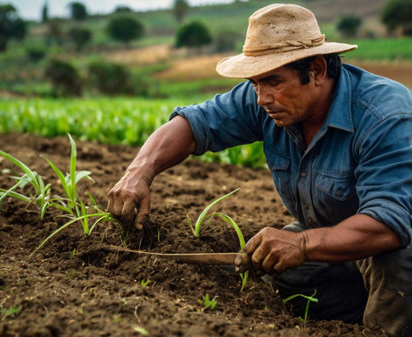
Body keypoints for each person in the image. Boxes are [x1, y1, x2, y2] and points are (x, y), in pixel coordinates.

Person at [107, 4, 412, 336]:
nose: (262, 97)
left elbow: (388, 224)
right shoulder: (266, 100)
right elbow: (194, 124)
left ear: (318, 70)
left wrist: (303, 244)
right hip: (332, 236)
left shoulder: (384, 115)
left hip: (391, 242)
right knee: (270, 274)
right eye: (254, 83)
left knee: (396, 262)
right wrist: (138, 172)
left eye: (272, 81)